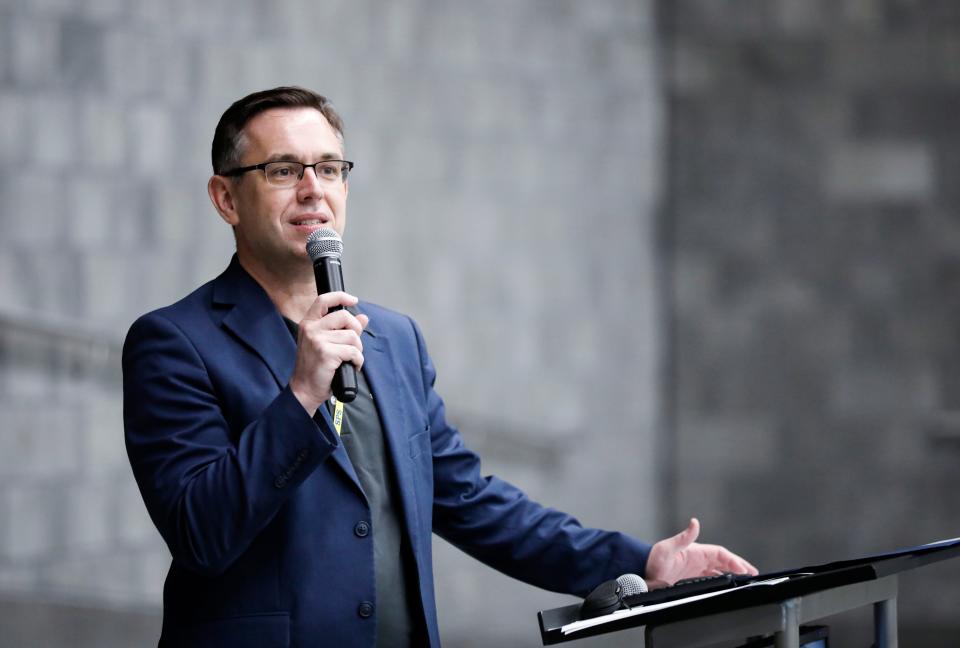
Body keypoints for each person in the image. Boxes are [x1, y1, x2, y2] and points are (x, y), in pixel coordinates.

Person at [123, 86, 757, 648]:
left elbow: (473, 502)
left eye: (329, 168)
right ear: (226, 198)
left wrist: (642, 560)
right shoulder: (175, 342)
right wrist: (300, 397)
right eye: (283, 169)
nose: (313, 188)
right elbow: (200, 532)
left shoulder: (393, 340)